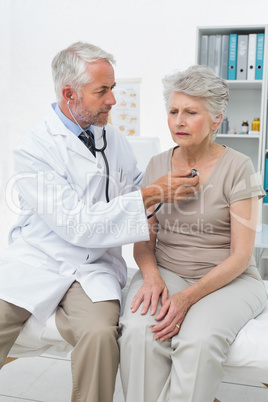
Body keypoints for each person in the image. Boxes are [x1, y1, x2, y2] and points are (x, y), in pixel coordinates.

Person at [0, 43, 199, 402]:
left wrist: (180, 189)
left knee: (99, 336)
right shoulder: (34, 148)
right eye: (102, 91)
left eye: (113, 89)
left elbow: (141, 194)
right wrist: (152, 194)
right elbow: (77, 224)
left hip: (93, 270)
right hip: (39, 261)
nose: (112, 100)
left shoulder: (114, 140)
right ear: (69, 94)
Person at [119, 65, 268, 402]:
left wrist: (186, 298)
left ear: (216, 120)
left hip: (230, 278)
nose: (178, 121)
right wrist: (152, 278)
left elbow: (241, 256)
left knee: (198, 341)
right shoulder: (156, 165)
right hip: (167, 272)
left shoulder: (239, 167)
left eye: (191, 112)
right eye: (173, 111)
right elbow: (143, 239)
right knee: (139, 333)